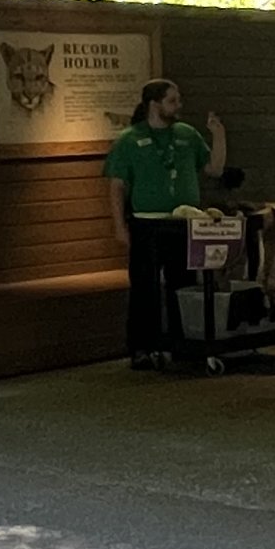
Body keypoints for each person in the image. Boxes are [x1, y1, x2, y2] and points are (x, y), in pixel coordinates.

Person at [104, 79, 229, 365]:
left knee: (182, 284)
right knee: (144, 286)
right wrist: (119, 226)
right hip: (146, 223)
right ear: (154, 104)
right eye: (172, 101)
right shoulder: (129, 140)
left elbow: (214, 168)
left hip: (183, 222)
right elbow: (117, 186)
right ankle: (142, 347)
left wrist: (218, 136)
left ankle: (182, 343)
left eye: (178, 100)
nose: (178, 106)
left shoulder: (186, 134)